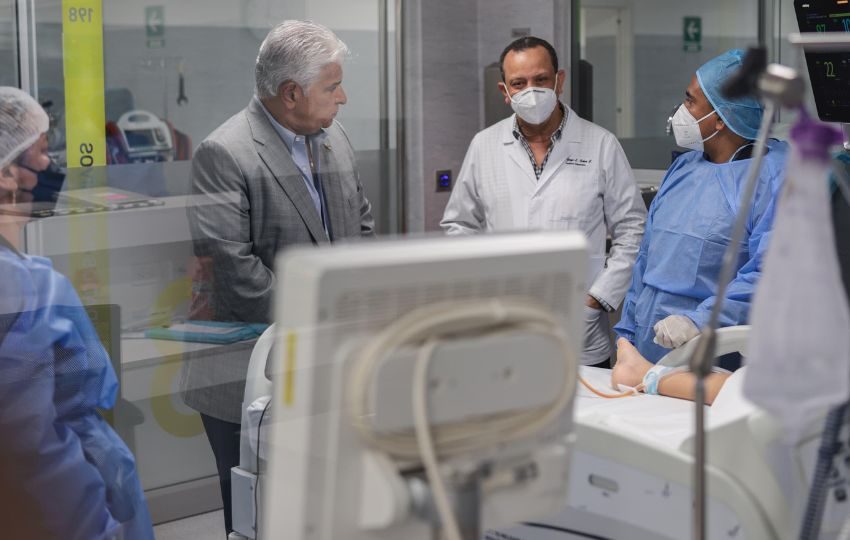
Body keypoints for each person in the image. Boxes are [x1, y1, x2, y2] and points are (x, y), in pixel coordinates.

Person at [180, 20, 375, 535]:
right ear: (292, 93)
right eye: (332, 87)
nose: (343, 97)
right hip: (248, 371)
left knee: (325, 510)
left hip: (329, 364)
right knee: (257, 515)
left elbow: (363, 228)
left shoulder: (335, 141)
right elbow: (236, 274)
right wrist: (327, 322)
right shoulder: (224, 154)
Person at [0, 87, 153, 539]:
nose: (50, 166)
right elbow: (31, 446)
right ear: (9, 173)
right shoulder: (29, 292)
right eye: (42, 153)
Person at [441, 36, 646, 367]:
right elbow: (458, 224)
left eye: (541, 80)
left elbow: (633, 230)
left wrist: (596, 300)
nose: (530, 91)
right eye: (518, 83)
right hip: (503, 326)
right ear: (504, 92)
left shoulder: (601, 144)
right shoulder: (485, 145)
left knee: (587, 416)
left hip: (580, 334)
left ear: (559, 81)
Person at [614, 49, 789, 365]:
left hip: (712, 358)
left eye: (691, 101)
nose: (681, 110)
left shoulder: (774, 180)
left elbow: (767, 276)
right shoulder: (684, 168)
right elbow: (647, 257)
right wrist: (626, 334)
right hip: (644, 350)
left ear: (720, 119)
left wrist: (698, 321)